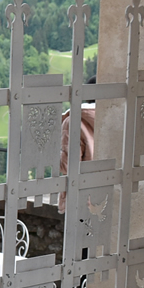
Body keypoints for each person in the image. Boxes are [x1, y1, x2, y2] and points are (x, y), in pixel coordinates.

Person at [59, 75, 96, 214]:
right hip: (109, 190)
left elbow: (67, 166)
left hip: (81, 196)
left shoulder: (74, 121)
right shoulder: (118, 118)